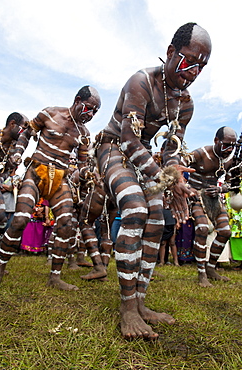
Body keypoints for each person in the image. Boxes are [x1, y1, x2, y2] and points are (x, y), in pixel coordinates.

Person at [94, 22, 212, 340]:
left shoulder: (185, 104)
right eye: (189, 61)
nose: (194, 71)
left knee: (157, 220)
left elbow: (171, 152)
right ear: (171, 52)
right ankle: (127, 308)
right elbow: (130, 141)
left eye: (202, 66)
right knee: (134, 209)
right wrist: (165, 178)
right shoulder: (142, 81)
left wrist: (176, 178)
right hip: (114, 146)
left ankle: (141, 302)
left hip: (143, 155)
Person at [0, 85, 101, 291]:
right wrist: (18, 152)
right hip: (36, 172)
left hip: (60, 179)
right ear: (78, 100)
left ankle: (55, 276)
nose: (91, 115)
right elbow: (26, 133)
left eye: (95, 112)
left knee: (67, 224)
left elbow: (81, 164)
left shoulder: (84, 134)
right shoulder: (49, 113)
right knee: (20, 219)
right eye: (89, 108)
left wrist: (86, 174)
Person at [186, 126, 237, 287]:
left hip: (213, 198)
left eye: (233, 146)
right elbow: (177, 167)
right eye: (226, 144)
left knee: (225, 231)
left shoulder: (229, 160)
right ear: (216, 140)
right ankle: (201, 274)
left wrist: (220, 189)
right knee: (202, 228)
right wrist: (187, 188)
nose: (229, 149)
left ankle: (210, 268)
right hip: (195, 197)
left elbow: (231, 183)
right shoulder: (201, 153)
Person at [0, 112, 29, 249]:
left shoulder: (13, 149)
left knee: (1, 219)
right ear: (12, 124)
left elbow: (7, 171)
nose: (23, 133)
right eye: (22, 129)